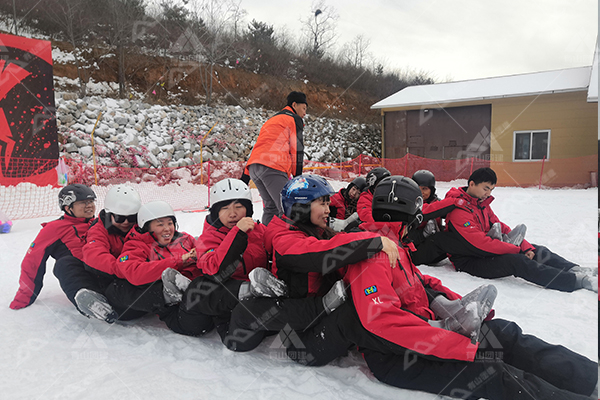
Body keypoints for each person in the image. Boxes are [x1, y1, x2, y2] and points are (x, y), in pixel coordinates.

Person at [283, 175, 598, 399]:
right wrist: (458, 343)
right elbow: (381, 322)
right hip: (394, 357)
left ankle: (590, 378)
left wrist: (455, 303)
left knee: (505, 334)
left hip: (426, 329)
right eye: (416, 218)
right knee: (491, 370)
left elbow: (418, 283)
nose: (419, 226)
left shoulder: (394, 244)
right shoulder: (371, 254)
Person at [443, 167, 597, 292]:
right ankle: (576, 281)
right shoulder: (459, 210)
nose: (488, 193)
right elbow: (480, 243)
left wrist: (525, 247)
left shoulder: (480, 204)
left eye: (491, 190)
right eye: (485, 188)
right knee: (518, 261)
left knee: (536, 249)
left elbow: (500, 225)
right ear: (471, 184)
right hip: (469, 261)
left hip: (483, 254)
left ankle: (576, 270)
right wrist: (517, 250)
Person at [106, 200, 214, 336]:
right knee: (195, 326)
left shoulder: (184, 239)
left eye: (170, 223)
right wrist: (179, 260)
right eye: (160, 224)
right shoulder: (137, 245)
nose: (167, 228)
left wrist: (202, 255)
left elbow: (205, 251)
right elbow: (135, 273)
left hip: (193, 294)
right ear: (147, 227)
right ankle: (170, 293)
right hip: (158, 306)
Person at [54, 184, 147, 323]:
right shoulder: (99, 228)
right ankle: (90, 300)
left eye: (132, 217)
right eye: (120, 218)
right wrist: (123, 269)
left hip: (135, 280)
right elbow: (94, 253)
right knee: (65, 263)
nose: (126, 223)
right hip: (111, 276)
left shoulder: (143, 225)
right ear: (109, 214)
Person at [10, 184, 96, 310]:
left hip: (105, 274)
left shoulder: (99, 223)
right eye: (82, 202)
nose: (89, 205)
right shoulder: (54, 228)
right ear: (68, 207)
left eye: (91, 201)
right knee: (63, 264)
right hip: (82, 276)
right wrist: (24, 297)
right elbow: (32, 261)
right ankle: (89, 301)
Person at [241, 91, 307, 225]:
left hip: (255, 168)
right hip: (273, 166)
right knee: (288, 209)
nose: (305, 113)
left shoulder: (272, 120)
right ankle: (285, 243)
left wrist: (245, 176)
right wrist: (297, 177)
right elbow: (297, 148)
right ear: (294, 105)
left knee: (270, 208)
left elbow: (260, 146)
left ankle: (266, 240)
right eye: (304, 108)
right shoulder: (294, 119)